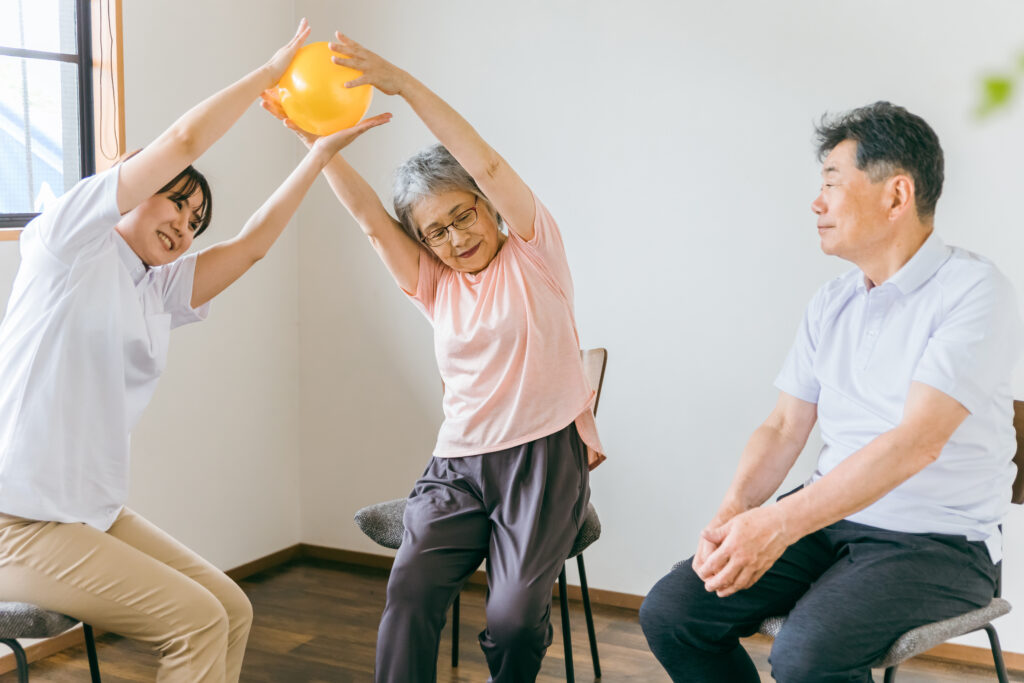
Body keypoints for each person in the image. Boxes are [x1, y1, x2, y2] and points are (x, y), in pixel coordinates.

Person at [0, 20, 390, 683]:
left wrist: (319, 154)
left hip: (86, 514)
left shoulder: (155, 285)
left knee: (231, 608)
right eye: (175, 202)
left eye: (193, 221)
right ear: (131, 177)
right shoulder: (67, 242)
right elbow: (182, 139)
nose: (183, 226)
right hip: (17, 521)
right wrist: (268, 75)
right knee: (196, 620)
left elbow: (253, 244)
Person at [261, 31, 605, 683]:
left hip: (541, 458)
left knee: (510, 619)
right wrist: (313, 141)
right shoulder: (436, 284)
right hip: (456, 466)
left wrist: (403, 84)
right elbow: (368, 217)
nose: (455, 238)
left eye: (463, 216)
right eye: (435, 232)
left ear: (488, 207)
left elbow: (494, 166)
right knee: (410, 592)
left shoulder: (535, 256)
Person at [639, 101, 1023, 683]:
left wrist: (779, 524)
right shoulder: (833, 301)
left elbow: (915, 444)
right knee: (674, 612)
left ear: (897, 195)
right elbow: (783, 425)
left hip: (940, 541)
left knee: (805, 653)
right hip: (829, 522)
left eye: (832, 183)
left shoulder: (974, 290)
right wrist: (737, 509)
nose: (816, 202)